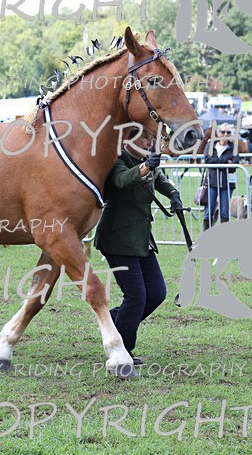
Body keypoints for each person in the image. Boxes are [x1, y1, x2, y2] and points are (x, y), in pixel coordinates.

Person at [94, 130, 183, 365]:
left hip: (141, 238)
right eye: (144, 137)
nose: (149, 142)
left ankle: (112, 322)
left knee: (156, 293)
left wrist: (173, 193)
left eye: (151, 138)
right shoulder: (117, 158)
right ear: (128, 140)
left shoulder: (147, 158)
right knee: (136, 297)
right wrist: (145, 168)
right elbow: (122, 180)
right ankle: (122, 349)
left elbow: (160, 178)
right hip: (118, 238)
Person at [203, 123, 240, 230]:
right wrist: (225, 163)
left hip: (227, 184)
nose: (225, 134)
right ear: (218, 134)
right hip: (211, 182)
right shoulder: (210, 145)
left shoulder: (234, 147)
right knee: (208, 211)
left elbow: (234, 166)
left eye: (228, 132)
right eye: (223, 132)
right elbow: (208, 161)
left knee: (224, 212)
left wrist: (218, 164)